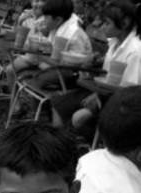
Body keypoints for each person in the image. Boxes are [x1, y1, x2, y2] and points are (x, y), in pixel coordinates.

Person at [52, 0, 141, 137]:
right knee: (58, 104)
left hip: (119, 102)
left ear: (125, 23)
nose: (102, 27)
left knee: (78, 117)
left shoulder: (135, 51)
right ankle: (61, 141)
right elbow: (107, 74)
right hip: (101, 92)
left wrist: (99, 95)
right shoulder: (115, 43)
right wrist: (93, 66)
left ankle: (87, 142)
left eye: (107, 23)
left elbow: (130, 91)